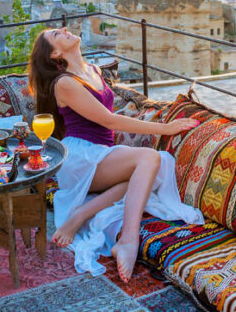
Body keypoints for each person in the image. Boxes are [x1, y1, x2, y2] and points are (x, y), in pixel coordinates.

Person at [27, 27, 203, 281]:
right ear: (55, 53)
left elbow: (108, 116)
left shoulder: (94, 71)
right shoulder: (64, 83)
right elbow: (109, 121)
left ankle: (81, 214)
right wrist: (166, 128)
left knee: (150, 171)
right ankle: (128, 241)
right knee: (150, 158)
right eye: (56, 33)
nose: (65, 29)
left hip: (102, 155)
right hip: (81, 158)